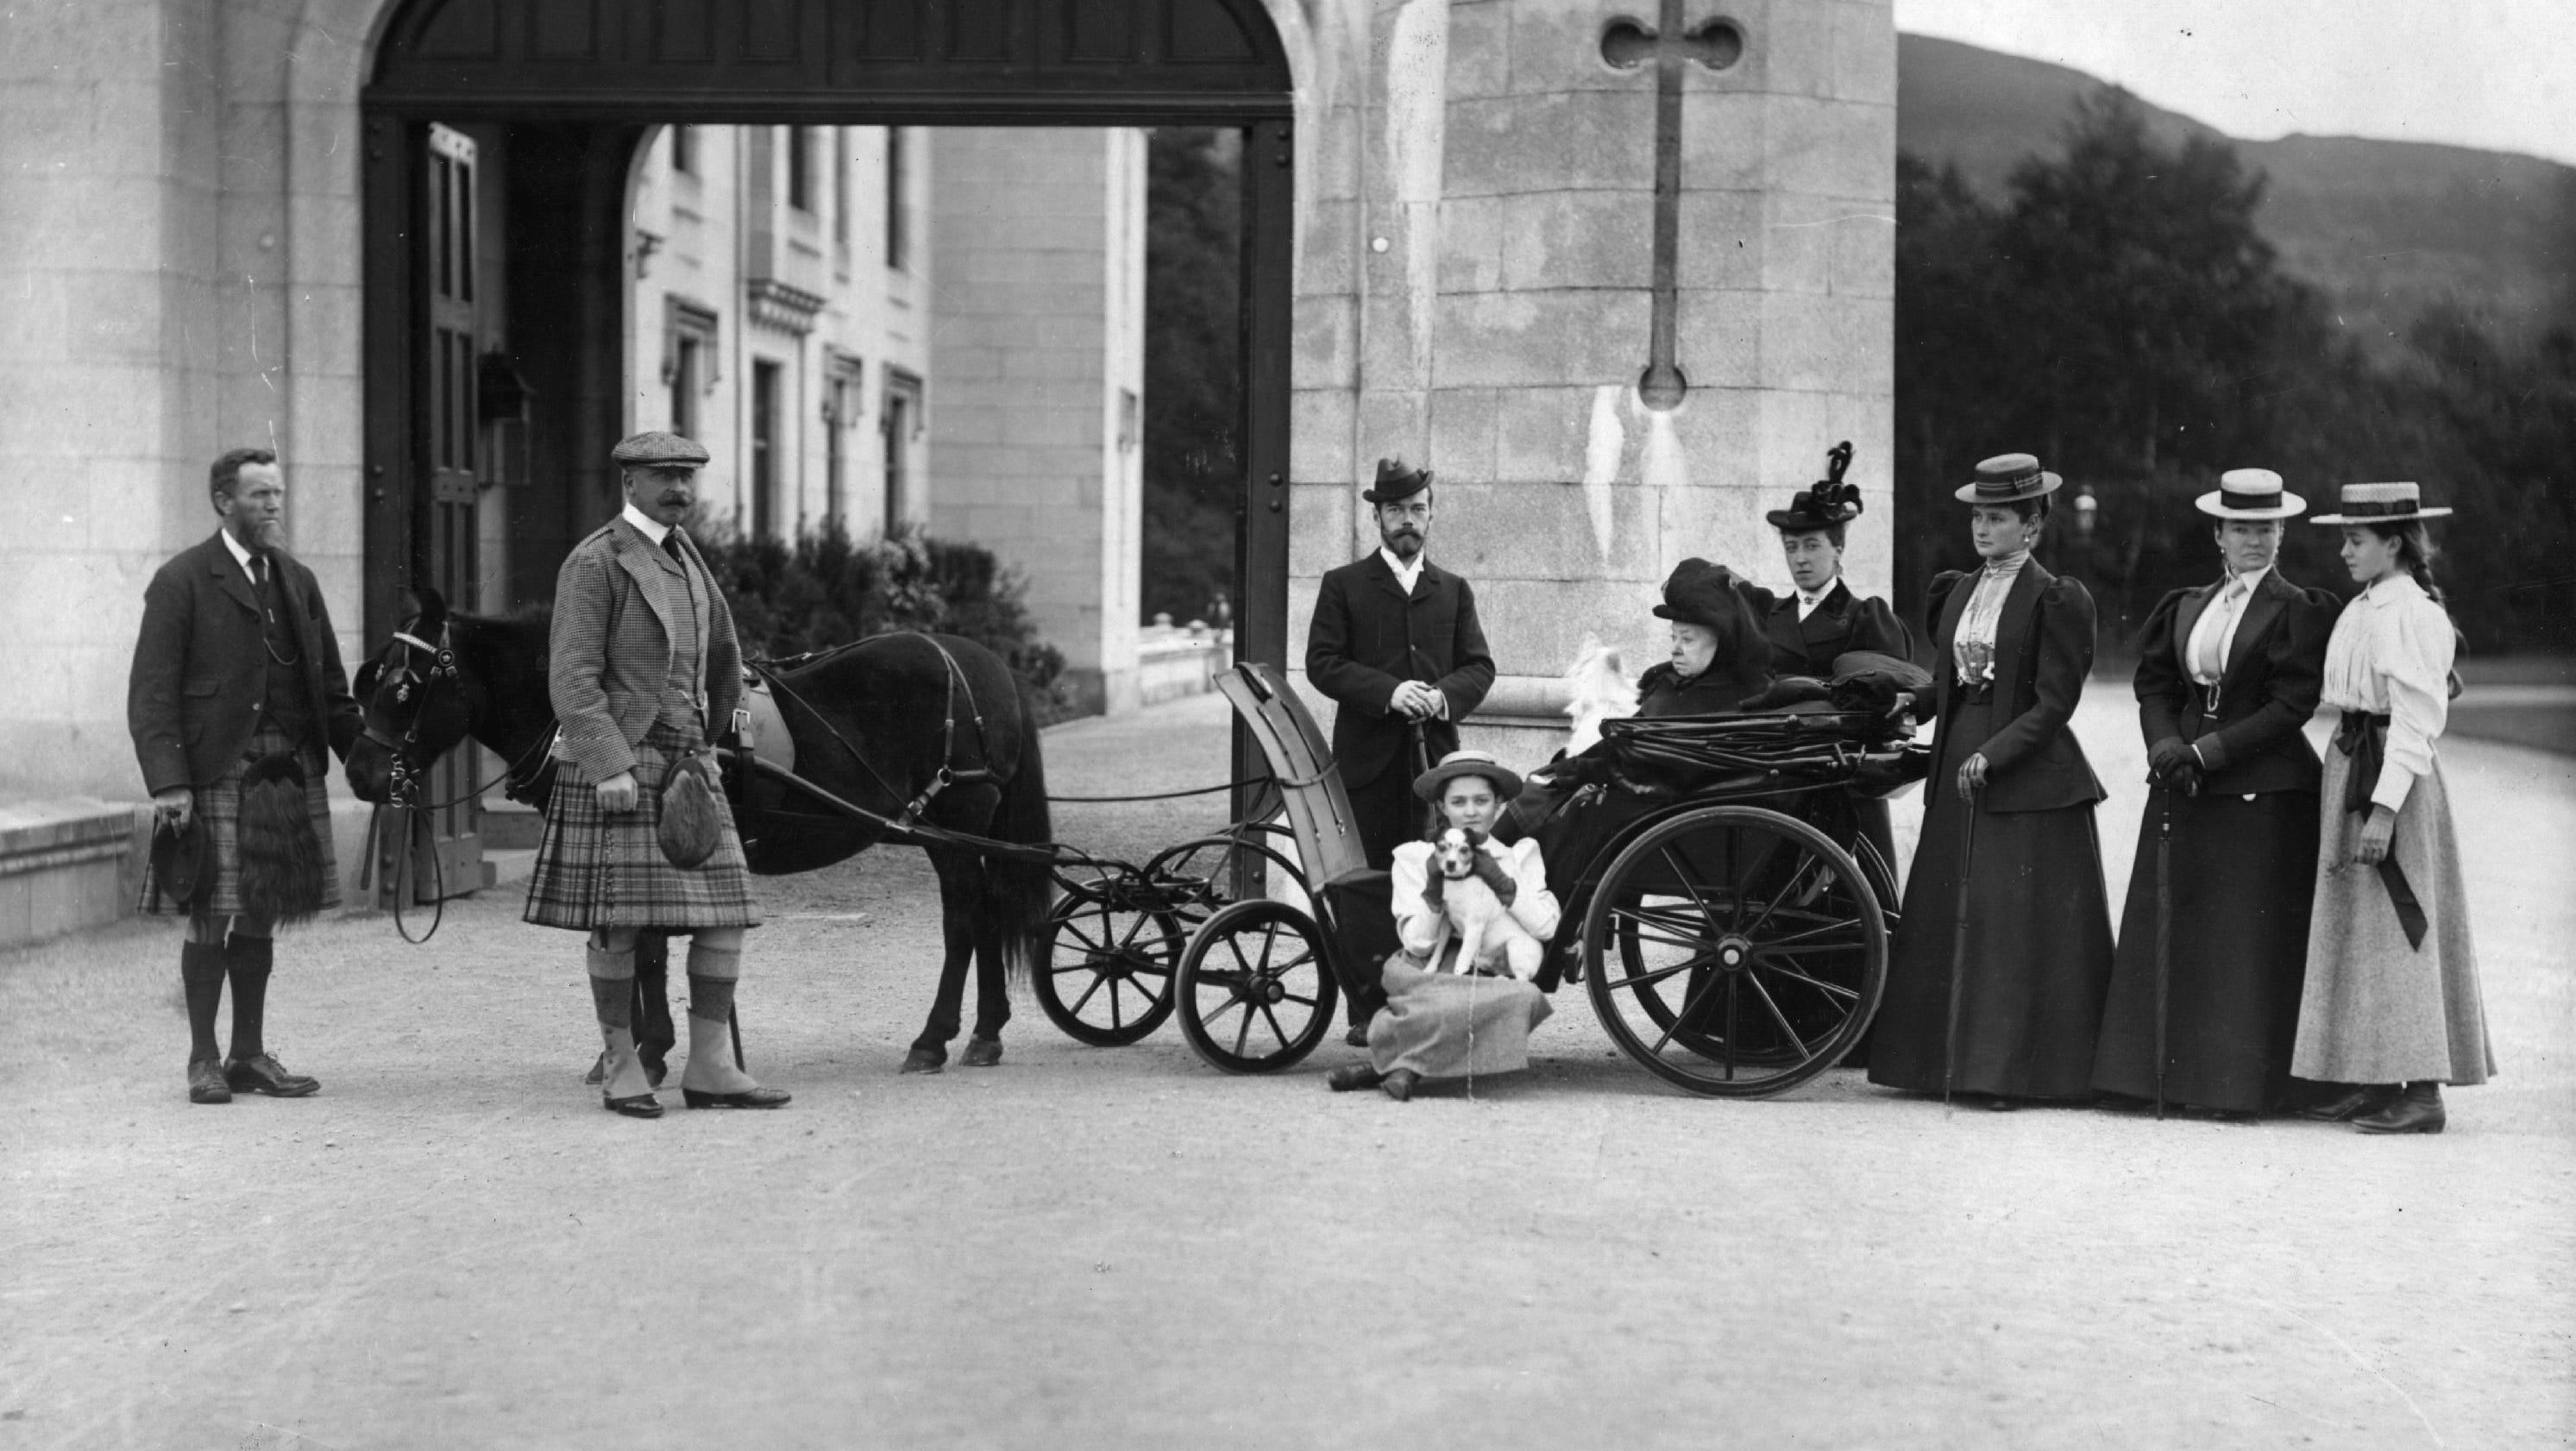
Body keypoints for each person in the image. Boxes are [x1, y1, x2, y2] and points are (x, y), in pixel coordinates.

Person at [524, 430, 788, 1118]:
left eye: (687, 476)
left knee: (726, 916)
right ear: (629, 483)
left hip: (690, 758)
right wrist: (607, 763)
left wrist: (720, 734)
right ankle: (622, 1064)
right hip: (624, 759)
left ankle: (711, 1067)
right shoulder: (596, 561)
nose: (680, 488)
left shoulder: (686, 555)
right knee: (618, 924)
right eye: (664, 476)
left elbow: (722, 650)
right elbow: (573, 679)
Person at [1867, 453, 2116, 1110]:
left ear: (2032, 524)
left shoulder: (2057, 596)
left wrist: (1997, 753)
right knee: (1953, 908)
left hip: (2026, 770)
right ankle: (1937, 1065)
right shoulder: (1957, 589)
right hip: (1959, 759)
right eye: (1977, 515)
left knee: (2010, 923)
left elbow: (2055, 701)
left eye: (1998, 517)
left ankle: (2009, 1074)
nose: (1982, 528)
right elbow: (1950, 678)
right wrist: (1914, 706)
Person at [2090, 469, 2342, 1119]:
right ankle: (2152, 1078)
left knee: (2237, 936)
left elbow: (2292, 705)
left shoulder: (2298, 608)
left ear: (2281, 533)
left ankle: (2232, 1084)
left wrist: (2208, 751)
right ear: (2218, 534)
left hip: (2259, 779)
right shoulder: (2188, 603)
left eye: (2265, 528)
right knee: (2177, 917)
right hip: (2181, 775)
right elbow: (2156, 685)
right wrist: (2164, 747)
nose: (2253, 540)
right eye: (2241, 528)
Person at [129, 447, 362, 1104]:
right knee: (210, 913)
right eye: (259, 495)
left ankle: (249, 1055)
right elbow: (151, 691)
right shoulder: (181, 581)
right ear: (222, 501)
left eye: (278, 494)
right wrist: (169, 781)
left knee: (263, 908)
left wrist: (365, 758)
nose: (273, 506)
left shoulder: (297, 578)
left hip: (284, 771)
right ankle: (203, 1060)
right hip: (212, 769)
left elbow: (330, 687)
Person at [2289, 482, 2492, 1134]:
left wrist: (2383, 810)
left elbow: (2415, 720)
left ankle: (2423, 1088)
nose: (2345, 551)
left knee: (2403, 924)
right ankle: (2375, 1078)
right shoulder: (2366, 606)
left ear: (2394, 544)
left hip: (2390, 779)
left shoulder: (2412, 611)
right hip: (2353, 760)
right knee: (2363, 928)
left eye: (2356, 540)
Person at [1306, 457, 1495, 1040]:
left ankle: (1422, 1009)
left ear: (1431, 514)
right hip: (1366, 765)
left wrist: (1438, 698)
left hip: (1432, 769)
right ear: (1377, 517)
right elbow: (1323, 664)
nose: (1407, 521)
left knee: (1431, 886)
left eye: (1417, 510)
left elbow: (1480, 667)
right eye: (1396, 511)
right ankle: (1368, 1015)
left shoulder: (1453, 590)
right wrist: (1390, 692)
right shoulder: (1344, 584)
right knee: (1370, 890)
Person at [1327, 751, 1560, 1101]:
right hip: (1426, 964)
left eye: (1481, 801)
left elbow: (1544, 928)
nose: (1470, 812)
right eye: (1459, 801)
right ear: (1441, 807)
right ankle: (1400, 1068)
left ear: (1498, 804)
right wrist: (1435, 889)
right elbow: (1417, 943)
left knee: (1524, 997)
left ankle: (1389, 1068)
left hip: (1489, 966)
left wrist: (1504, 883)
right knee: (1443, 993)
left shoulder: (1519, 855)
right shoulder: (1415, 857)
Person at [1731, 443, 1916, 876]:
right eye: (1791, 547)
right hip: (1775, 769)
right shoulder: (1769, 614)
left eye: (1812, 546)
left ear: (1837, 549)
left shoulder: (1864, 616)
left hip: (1840, 773)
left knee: (1856, 892)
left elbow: (1890, 699)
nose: (1800, 559)